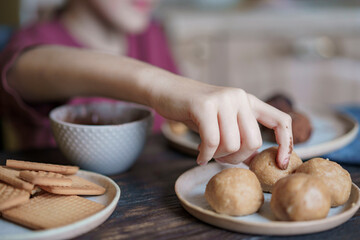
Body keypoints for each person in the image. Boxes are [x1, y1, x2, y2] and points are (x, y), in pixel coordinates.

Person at [0, 0, 293, 169]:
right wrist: (159, 85)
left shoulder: (152, 35)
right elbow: (31, 68)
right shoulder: (31, 42)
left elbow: (179, 125)